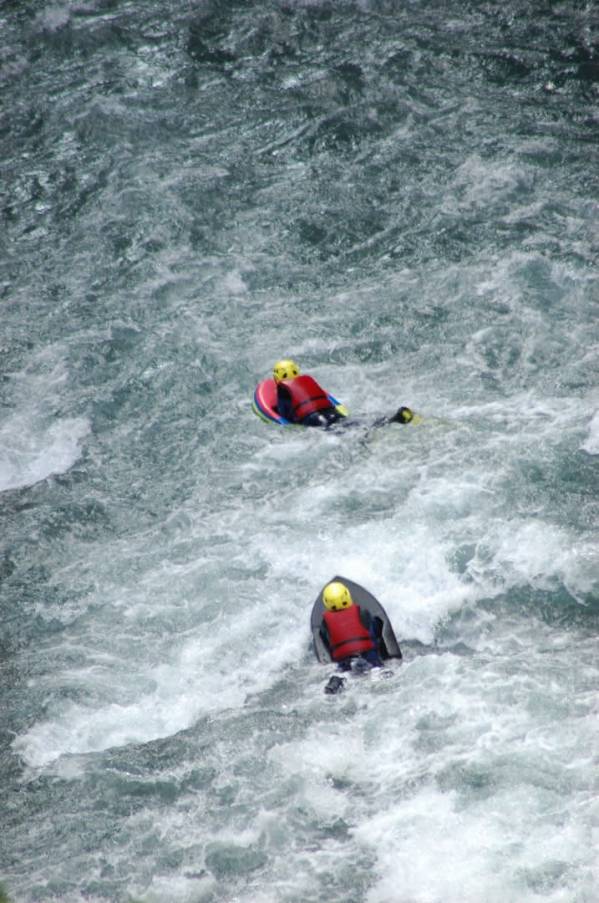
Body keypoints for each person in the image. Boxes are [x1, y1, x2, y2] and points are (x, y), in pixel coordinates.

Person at [272, 359, 416, 428]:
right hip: (332, 412)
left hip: (317, 420)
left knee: (349, 432)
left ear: (277, 377)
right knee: (352, 423)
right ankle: (394, 418)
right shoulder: (306, 382)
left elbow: (287, 415)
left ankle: (390, 422)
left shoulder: (283, 391)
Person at [319, 581, 384, 693]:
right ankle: (376, 672)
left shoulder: (325, 623)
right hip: (369, 657)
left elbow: (326, 645)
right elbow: (377, 632)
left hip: (345, 660)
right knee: (375, 669)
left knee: (344, 673)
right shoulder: (363, 612)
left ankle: (337, 680)